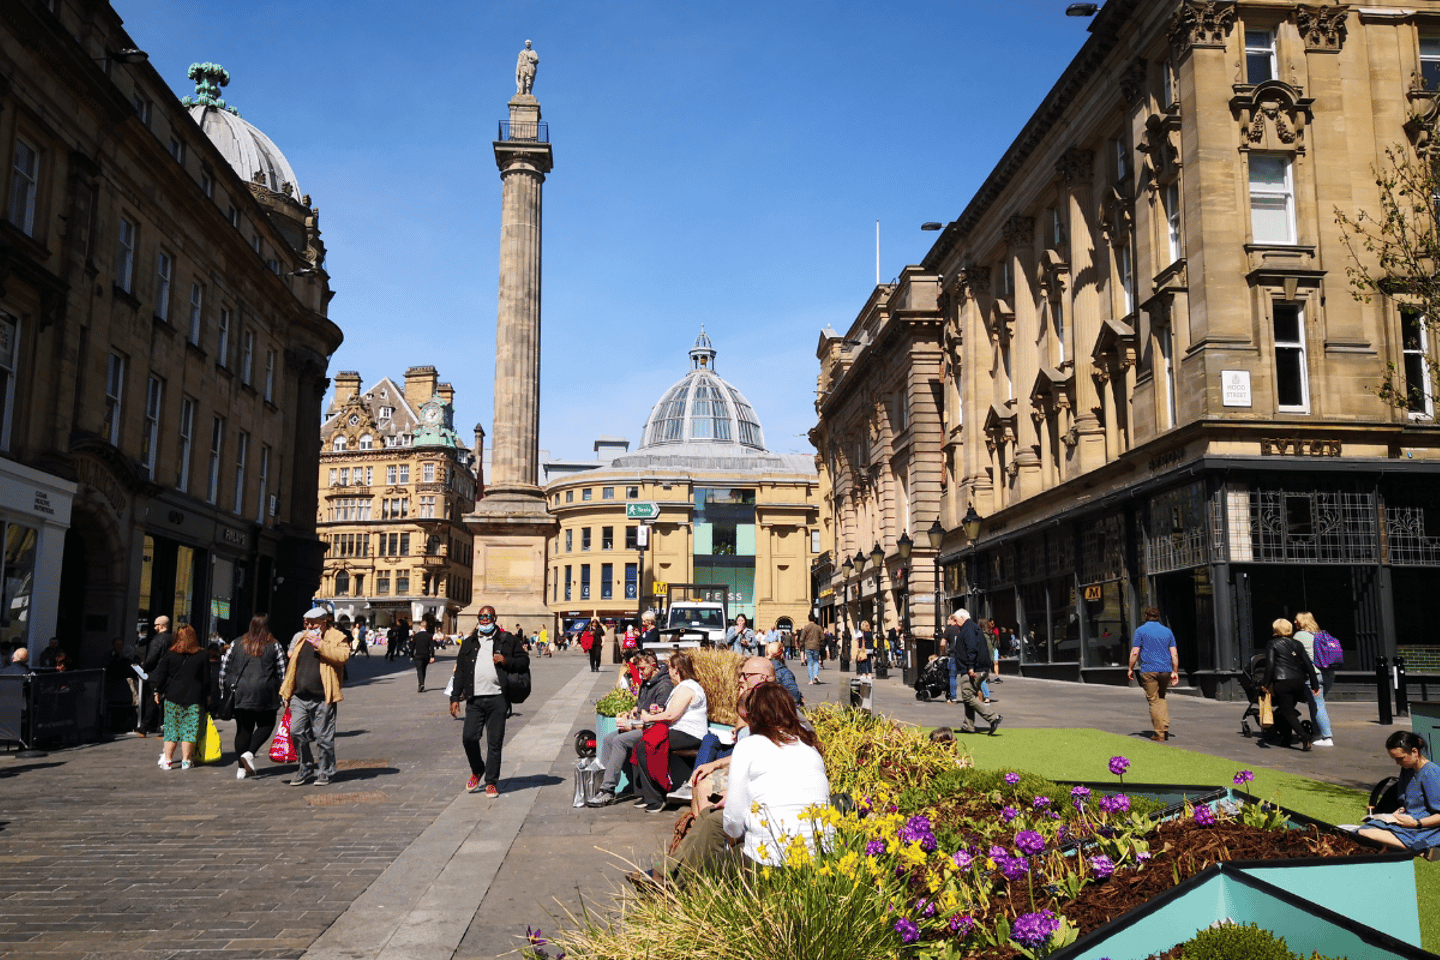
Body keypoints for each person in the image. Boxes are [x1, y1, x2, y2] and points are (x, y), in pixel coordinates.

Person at [722, 682, 832, 866]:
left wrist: (732, 841)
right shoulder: (810, 749)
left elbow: (734, 821)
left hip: (767, 861)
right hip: (817, 862)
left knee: (708, 850)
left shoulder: (749, 746)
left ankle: (667, 878)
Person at [449, 605, 530, 798]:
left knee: (495, 742)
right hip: (475, 699)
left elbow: (524, 661)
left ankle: (491, 782)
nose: (485, 620)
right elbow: (460, 672)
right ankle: (477, 769)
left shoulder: (507, 639)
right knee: (469, 737)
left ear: (494, 618)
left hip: (498, 698)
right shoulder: (468, 642)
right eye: (481, 616)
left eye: (488, 616)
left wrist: (506, 661)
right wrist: (454, 697)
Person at [589, 651, 674, 806]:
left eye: (642, 669)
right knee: (608, 739)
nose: (640, 673)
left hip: (652, 729)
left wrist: (633, 724)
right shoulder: (647, 682)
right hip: (640, 724)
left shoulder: (664, 685)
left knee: (620, 740)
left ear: (653, 665)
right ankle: (611, 785)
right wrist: (630, 713)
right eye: (638, 669)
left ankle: (608, 790)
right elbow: (640, 707)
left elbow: (656, 718)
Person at [278, 606, 351, 786]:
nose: (309, 627)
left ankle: (326, 771)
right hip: (299, 695)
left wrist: (321, 645)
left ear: (323, 622)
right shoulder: (302, 638)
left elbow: (343, 656)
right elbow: (292, 666)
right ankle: (306, 764)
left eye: (312, 624)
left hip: (322, 696)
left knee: (323, 737)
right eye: (306, 624)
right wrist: (287, 691)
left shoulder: (337, 637)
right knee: (295, 730)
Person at [632, 651, 709, 814]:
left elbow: (671, 715)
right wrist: (658, 710)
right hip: (679, 731)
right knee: (642, 745)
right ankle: (650, 795)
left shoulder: (688, 687)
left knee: (646, 746)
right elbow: (670, 711)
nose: (667, 671)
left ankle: (657, 797)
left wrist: (648, 717)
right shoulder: (681, 687)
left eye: (669, 668)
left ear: (677, 669)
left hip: (689, 734)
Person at [220, 614, 287, 780]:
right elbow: (282, 671)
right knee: (267, 724)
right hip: (265, 692)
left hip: (241, 692)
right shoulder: (274, 645)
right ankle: (249, 754)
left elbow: (224, 668)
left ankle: (240, 769)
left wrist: (223, 690)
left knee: (243, 729)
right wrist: (285, 693)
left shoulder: (236, 643)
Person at [1357, 732, 1440, 856]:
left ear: (1415, 752)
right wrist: (1400, 810)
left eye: (1400, 758)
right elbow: (1408, 800)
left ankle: (1420, 849)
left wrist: (1417, 823)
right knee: (1364, 830)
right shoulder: (1407, 769)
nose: (1397, 763)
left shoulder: (1431, 773)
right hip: (1408, 821)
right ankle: (1418, 848)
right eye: (1394, 759)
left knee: (1365, 833)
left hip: (1425, 827)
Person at [149, 624, 211, 770]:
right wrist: (208, 695)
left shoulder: (170, 655)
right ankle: (186, 761)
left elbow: (161, 675)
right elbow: (207, 678)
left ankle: (168, 761)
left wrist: (157, 691)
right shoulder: (202, 655)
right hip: (194, 697)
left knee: (171, 729)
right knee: (189, 730)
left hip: (172, 696)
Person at [1261, 618, 1318, 752]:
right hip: (1298, 681)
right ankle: (1286, 738)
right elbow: (1308, 664)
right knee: (1287, 710)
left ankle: (1303, 735)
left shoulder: (1272, 643)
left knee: (1287, 712)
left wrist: (1265, 684)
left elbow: (1270, 666)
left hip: (1282, 682)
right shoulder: (1297, 644)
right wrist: (1314, 683)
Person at [1127, 607, 1179, 742]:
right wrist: (1175, 671)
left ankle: (1159, 732)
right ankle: (1165, 725)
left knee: (1153, 700)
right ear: (1158, 616)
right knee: (1161, 697)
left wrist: (1130, 668)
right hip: (1165, 670)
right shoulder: (1167, 632)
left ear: (1146, 616)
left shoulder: (1140, 630)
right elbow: (1174, 653)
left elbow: (1135, 652)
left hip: (1149, 670)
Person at [954, 608, 1002, 735]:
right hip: (977, 667)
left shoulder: (968, 629)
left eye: (956, 618)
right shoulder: (971, 627)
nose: (954, 621)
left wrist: (970, 667)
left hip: (972, 668)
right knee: (969, 695)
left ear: (963, 617)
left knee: (967, 696)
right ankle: (968, 726)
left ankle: (993, 717)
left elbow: (971, 648)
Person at [1292, 612, 1334, 747]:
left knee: (1318, 705)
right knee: (1316, 704)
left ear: (1302, 622)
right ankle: (1317, 735)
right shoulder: (1323, 634)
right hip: (1329, 674)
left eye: (1296, 620)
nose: (1294, 622)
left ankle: (1327, 737)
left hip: (1314, 675)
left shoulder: (1299, 636)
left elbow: (1294, 655)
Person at [766, 640, 803, 706]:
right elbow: (794, 694)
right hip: (779, 708)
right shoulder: (784, 672)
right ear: (781, 654)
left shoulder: (760, 668)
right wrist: (800, 697)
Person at [411, 614, 436, 693]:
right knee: (423, 669)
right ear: (427, 627)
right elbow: (432, 647)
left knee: (419, 670)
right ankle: (422, 683)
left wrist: (411, 655)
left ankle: (421, 684)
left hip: (418, 655)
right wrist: (432, 656)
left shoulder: (416, 636)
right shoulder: (429, 636)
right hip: (426, 655)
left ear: (419, 626)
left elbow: (412, 646)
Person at [798, 613, 824, 685]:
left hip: (808, 647)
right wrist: (819, 642)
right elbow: (823, 637)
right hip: (816, 646)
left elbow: (802, 638)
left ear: (808, 619)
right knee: (816, 661)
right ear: (815, 619)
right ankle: (815, 675)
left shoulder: (806, 627)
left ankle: (811, 680)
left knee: (809, 663)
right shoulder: (818, 627)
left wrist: (801, 645)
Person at [942, 612, 963, 703]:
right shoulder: (962, 629)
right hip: (963, 656)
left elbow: (942, 643)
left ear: (953, 619)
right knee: (965, 676)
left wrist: (944, 653)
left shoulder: (949, 630)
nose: (947, 620)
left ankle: (953, 698)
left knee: (952, 677)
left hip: (953, 655)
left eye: (948, 618)